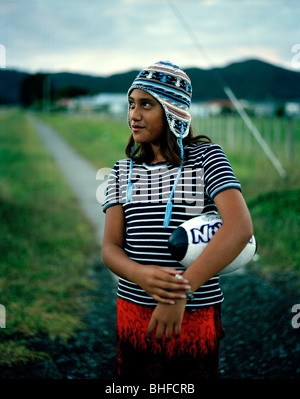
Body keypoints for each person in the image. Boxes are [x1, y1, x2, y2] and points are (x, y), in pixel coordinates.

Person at [101, 61, 253, 380]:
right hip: (132, 310)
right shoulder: (121, 171)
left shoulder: (206, 158)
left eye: (146, 104)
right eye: (131, 104)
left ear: (174, 110)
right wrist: (138, 273)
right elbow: (110, 247)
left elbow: (239, 228)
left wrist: (181, 292)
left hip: (193, 312)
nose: (134, 114)